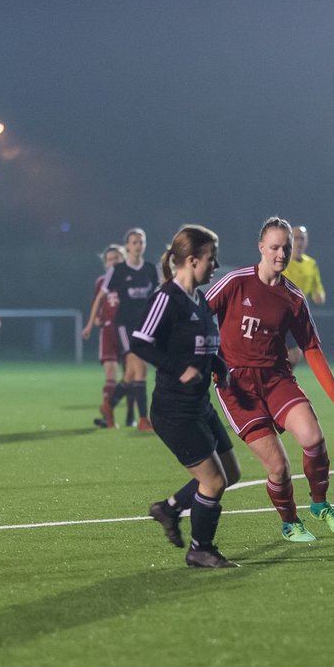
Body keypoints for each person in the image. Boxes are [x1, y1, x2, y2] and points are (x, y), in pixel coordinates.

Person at [204, 216, 334, 543]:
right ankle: (290, 522)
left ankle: (320, 505)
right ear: (261, 248)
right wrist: (207, 359)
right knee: (279, 466)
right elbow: (197, 314)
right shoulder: (235, 282)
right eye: (274, 247)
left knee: (313, 438)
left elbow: (310, 346)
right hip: (237, 386)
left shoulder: (294, 297)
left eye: (285, 247)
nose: (281, 254)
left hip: (277, 378)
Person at [131, 225, 242, 568]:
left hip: (199, 405)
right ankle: (200, 549)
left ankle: (168, 509)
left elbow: (205, 346)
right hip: (174, 410)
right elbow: (139, 342)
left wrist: (220, 367)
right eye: (211, 258)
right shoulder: (167, 298)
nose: (216, 264)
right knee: (213, 481)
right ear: (192, 260)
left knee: (230, 473)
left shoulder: (200, 299)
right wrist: (177, 368)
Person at [99, 228, 160, 431]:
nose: (138, 245)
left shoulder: (150, 269)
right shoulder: (120, 270)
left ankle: (109, 405)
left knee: (132, 374)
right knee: (140, 369)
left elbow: (157, 297)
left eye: (141, 242)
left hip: (145, 326)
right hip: (125, 326)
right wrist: (92, 321)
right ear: (127, 246)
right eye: (134, 242)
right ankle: (143, 419)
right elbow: (102, 295)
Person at [82, 244, 128, 427]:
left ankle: (132, 416)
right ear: (105, 263)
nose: (112, 262)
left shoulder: (130, 278)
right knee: (110, 375)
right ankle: (109, 419)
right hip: (108, 331)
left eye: (116, 258)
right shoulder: (101, 282)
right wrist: (93, 322)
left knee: (131, 376)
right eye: (109, 259)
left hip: (127, 331)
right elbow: (97, 303)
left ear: (123, 259)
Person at [282, 224, 328, 365]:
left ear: (306, 241)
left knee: (295, 355)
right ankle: (280, 382)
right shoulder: (282, 261)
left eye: (302, 238)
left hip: (300, 316)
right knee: (294, 353)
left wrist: (319, 295)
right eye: (296, 238)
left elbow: (317, 287)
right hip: (281, 315)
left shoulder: (311, 264)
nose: (299, 241)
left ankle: (276, 382)